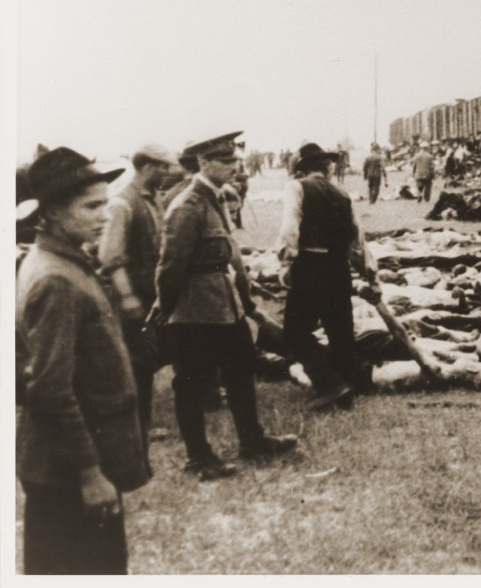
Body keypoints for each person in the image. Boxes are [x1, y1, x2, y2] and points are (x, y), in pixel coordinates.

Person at [17, 147, 151, 574]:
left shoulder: (63, 259)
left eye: (106, 203)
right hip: (68, 472)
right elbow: (50, 391)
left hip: (68, 463)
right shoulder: (56, 278)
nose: (105, 215)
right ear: (53, 212)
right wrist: (90, 474)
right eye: (92, 206)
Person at [156, 132, 297, 480]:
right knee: (191, 383)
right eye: (226, 160)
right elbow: (170, 266)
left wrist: (245, 303)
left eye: (235, 160)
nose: (234, 166)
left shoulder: (216, 199)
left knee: (241, 371)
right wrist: (168, 310)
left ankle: (252, 441)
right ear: (204, 163)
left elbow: (230, 257)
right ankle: (198, 457)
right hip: (195, 310)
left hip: (225, 303)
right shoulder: (187, 206)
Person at [276, 142, 383, 410]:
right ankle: (349, 382)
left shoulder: (296, 187)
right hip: (338, 268)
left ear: (302, 169)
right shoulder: (342, 194)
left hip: (310, 266)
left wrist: (286, 262)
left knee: (294, 332)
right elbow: (357, 241)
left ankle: (329, 383)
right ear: (327, 167)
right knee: (340, 331)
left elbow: (291, 226)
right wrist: (371, 277)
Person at [97, 143, 177, 454]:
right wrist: (128, 298)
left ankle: (136, 421)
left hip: (152, 295)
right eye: (163, 166)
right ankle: (136, 425)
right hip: (131, 298)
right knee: (138, 364)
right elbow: (110, 256)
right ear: (146, 168)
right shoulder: (123, 204)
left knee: (151, 358)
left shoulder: (153, 198)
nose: (169, 171)